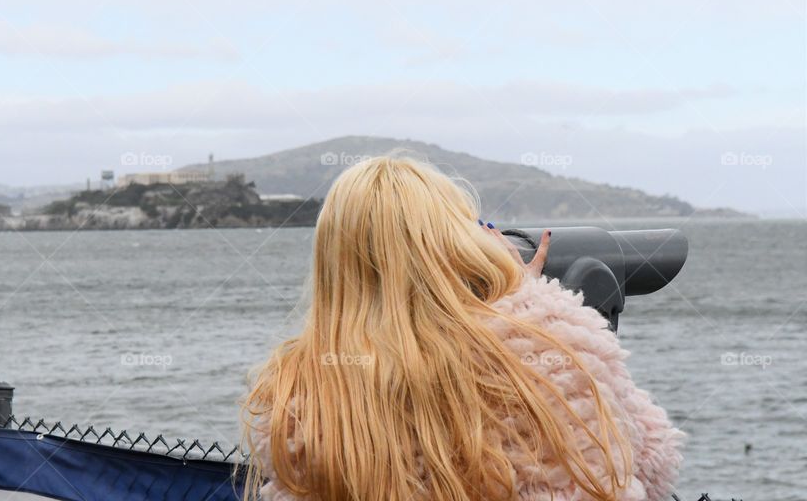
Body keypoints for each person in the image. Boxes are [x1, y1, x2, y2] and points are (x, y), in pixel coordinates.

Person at [241, 155, 683, 501]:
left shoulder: (296, 391)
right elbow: (646, 467)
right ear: (456, 244)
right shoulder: (545, 341)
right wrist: (528, 303)